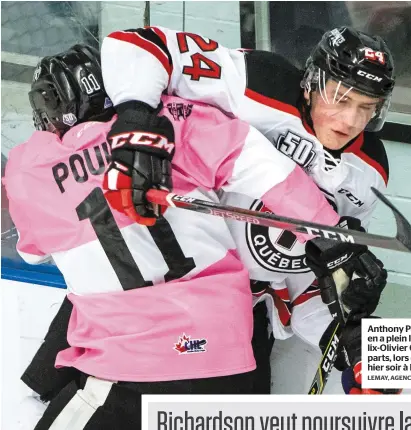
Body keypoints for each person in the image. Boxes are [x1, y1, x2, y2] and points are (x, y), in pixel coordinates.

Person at [4, 44, 345, 429]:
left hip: (131, 369)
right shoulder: (179, 118)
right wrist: (332, 237)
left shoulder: (27, 172)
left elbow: (32, 252)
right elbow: (272, 172)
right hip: (230, 354)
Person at [99, 25, 397, 394]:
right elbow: (136, 44)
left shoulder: (369, 172)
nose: (351, 121)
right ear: (312, 81)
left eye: (366, 108)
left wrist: (359, 340)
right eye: (340, 97)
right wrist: (135, 121)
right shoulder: (257, 81)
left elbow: (310, 279)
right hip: (155, 287)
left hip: (241, 315)